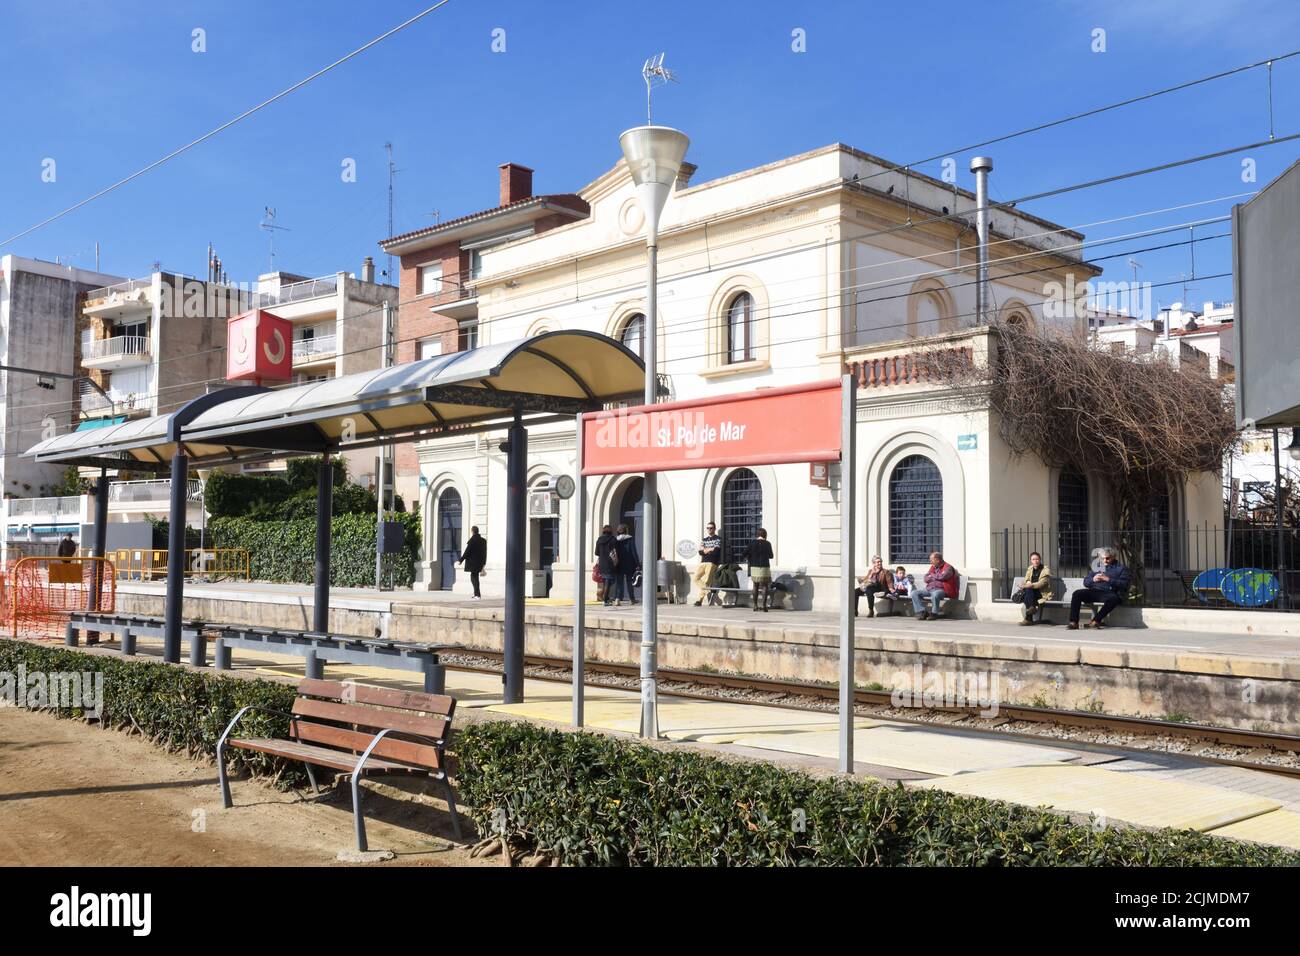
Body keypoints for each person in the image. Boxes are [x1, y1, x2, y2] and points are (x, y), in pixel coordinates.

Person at [1068, 547, 1130, 629]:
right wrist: (1093, 579)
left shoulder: (1121, 568)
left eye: (1107, 558)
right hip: (1094, 591)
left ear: (1113, 557)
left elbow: (1124, 584)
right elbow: (1086, 582)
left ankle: (1096, 621)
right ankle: (1074, 622)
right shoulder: (1096, 567)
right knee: (1077, 594)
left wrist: (1108, 579)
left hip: (1109, 592)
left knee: (1114, 599)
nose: (1105, 561)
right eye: (1102, 558)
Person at [911, 551, 958, 620]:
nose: (930, 562)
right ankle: (922, 612)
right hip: (929, 589)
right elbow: (926, 578)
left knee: (935, 594)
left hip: (942, 589)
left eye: (931, 560)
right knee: (914, 593)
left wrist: (932, 575)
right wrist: (934, 576)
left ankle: (934, 613)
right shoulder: (933, 567)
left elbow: (942, 577)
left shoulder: (948, 567)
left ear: (937, 560)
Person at [1017, 551, 1054, 625]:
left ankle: (1028, 618)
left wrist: (1026, 585)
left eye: (1037, 559)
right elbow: (1026, 579)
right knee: (1028, 592)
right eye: (1033, 559)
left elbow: (1040, 584)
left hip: (1042, 593)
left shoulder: (1045, 570)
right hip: (1031, 592)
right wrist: (1026, 582)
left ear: (1040, 560)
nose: (1035, 561)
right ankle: (1032, 608)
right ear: (1031, 561)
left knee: (1028, 590)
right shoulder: (1030, 569)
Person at [692, 522, 722, 606]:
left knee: (706, 581)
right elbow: (700, 552)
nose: (709, 529)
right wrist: (710, 549)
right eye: (708, 528)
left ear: (714, 529)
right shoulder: (704, 539)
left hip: (712, 563)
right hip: (703, 562)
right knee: (695, 578)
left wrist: (706, 550)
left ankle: (699, 600)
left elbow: (716, 551)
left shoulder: (718, 539)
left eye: (711, 528)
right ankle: (709, 590)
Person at [746, 528, 774, 612]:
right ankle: (764, 605)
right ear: (765, 535)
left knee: (755, 586)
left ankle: (755, 605)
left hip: (754, 567)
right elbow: (771, 556)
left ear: (757, 535)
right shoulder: (768, 543)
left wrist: (750, 556)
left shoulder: (752, 543)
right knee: (765, 586)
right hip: (765, 567)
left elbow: (744, 553)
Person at [456, 526, 486, 599]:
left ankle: (477, 595)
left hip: (473, 563)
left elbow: (467, 552)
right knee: (475, 578)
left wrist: (460, 560)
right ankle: (477, 594)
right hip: (480, 562)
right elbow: (485, 552)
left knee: (474, 578)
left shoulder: (472, 540)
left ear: (472, 531)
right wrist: (484, 563)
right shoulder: (483, 541)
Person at [614, 523, 640, 606]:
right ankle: (632, 599)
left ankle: (617, 599)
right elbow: (634, 552)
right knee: (629, 582)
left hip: (619, 564)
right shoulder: (630, 539)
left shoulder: (616, 539)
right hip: (629, 563)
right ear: (626, 530)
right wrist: (637, 563)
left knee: (619, 582)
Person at [594, 525, 619, 606]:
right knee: (608, 581)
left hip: (602, 562)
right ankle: (605, 600)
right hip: (610, 562)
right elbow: (616, 551)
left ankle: (606, 598)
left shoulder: (599, 540)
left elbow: (596, 552)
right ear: (611, 531)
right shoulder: (613, 540)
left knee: (605, 580)